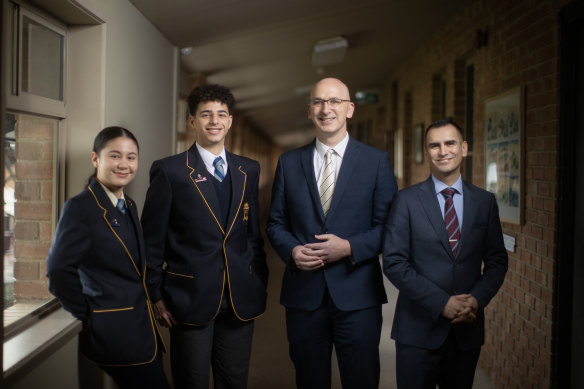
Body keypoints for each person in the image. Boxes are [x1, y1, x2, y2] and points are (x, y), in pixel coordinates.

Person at [266, 77, 398, 388]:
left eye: (335, 101)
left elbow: (389, 228)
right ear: (309, 110)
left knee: (361, 379)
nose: (327, 109)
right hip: (304, 294)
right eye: (319, 102)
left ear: (350, 109)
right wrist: (292, 251)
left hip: (358, 295)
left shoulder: (376, 162)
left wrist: (350, 247)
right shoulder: (288, 162)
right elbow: (275, 222)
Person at [141, 84, 268, 389]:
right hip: (188, 298)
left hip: (238, 297)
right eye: (206, 114)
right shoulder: (170, 171)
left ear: (230, 120)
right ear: (192, 121)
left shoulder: (247, 169)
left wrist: (257, 279)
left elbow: (252, 236)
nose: (214, 121)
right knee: (191, 382)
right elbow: (151, 242)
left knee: (234, 381)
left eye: (221, 114)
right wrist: (155, 295)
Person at [382, 118, 508, 389]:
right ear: (427, 152)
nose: (443, 151)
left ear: (464, 148)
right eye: (434, 146)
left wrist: (475, 300)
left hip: (467, 329)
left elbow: (497, 260)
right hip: (417, 330)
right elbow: (394, 263)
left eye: (450, 143)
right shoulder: (405, 201)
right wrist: (442, 303)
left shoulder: (484, 202)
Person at [46, 126, 170, 389]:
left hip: (141, 328)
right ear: (95, 159)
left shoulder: (129, 205)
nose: (124, 164)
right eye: (115, 156)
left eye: (131, 157)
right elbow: (58, 271)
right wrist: (89, 316)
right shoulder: (81, 208)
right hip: (115, 332)